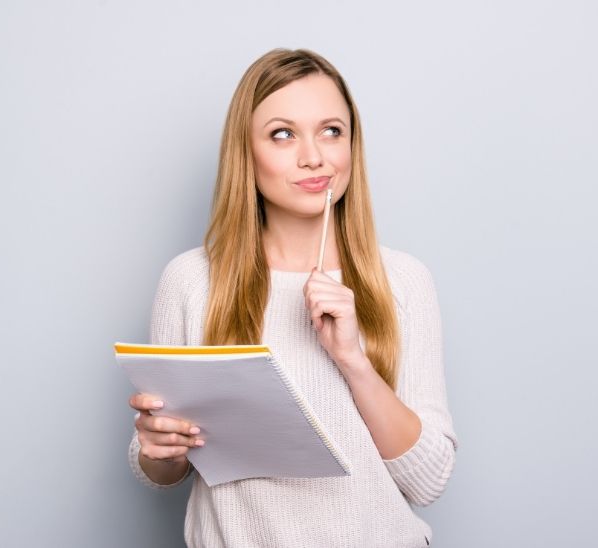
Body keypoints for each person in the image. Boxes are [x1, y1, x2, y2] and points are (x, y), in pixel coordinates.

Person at [127, 48, 458, 548]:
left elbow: (428, 480)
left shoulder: (403, 281)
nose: (314, 156)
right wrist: (159, 448)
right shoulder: (192, 282)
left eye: (332, 131)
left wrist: (354, 362)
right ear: (247, 150)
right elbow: (164, 472)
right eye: (283, 134)